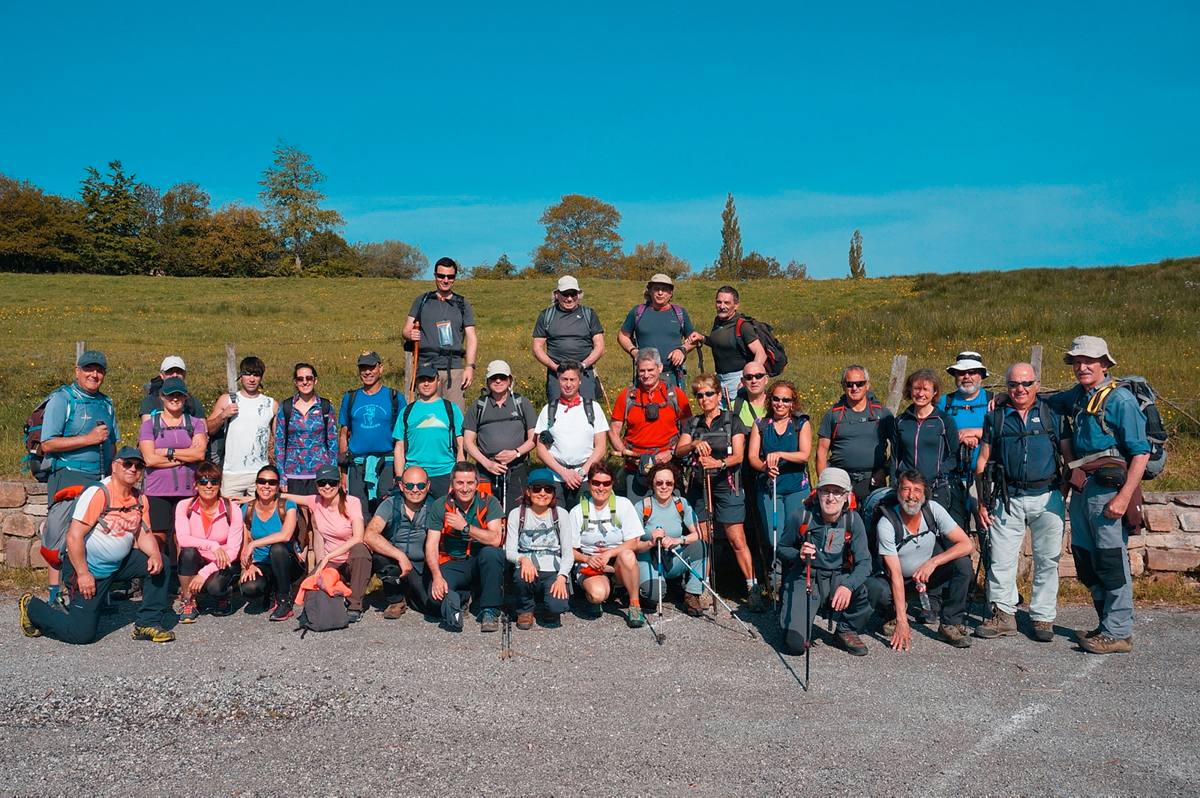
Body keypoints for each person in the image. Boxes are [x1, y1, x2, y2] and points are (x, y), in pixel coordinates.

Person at [1048, 336, 1150, 654]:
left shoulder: (1120, 400)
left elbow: (1141, 452)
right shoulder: (1078, 396)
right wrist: (1004, 400)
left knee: (1109, 560)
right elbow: (1047, 402)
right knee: (1086, 558)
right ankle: (1106, 623)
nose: (1082, 367)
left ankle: (1118, 630)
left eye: (1089, 361)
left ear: (1104, 364)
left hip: (1108, 490)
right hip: (1082, 488)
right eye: (1077, 362)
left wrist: (1123, 498)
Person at [19, 447, 175, 644]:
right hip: (87, 568)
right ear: (114, 466)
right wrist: (83, 574)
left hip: (119, 564)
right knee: (81, 634)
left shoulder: (140, 498)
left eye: (139, 465)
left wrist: (154, 553)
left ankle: (148, 623)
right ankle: (32, 607)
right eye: (127, 464)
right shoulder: (98, 493)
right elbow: (74, 537)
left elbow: (143, 533)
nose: (133, 469)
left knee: (161, 563)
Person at [973, 363, 1068, 643]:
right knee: (1001, 561)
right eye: (1014, 384)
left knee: (1047, 560)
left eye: (1026, 383)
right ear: (1006, 387)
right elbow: (982, 461)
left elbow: (1068, 455)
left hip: (1048, 495)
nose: (1020, 389)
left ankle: (1042, 617)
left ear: (1037, 384)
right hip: (1008, 497)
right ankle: (1003, 615)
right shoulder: (997, 417)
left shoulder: (1052, 414)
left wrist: (1064, 492)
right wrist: (982, 502)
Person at [38, 349, 118, 603]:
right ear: (77, 371)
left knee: (94, 535)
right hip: (67, 473)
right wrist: (89, 439)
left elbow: (112, 442)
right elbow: (47, 444)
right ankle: (54, 594)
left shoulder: (106, 403)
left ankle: (93, 594)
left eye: (99, 370)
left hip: (99, 477)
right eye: (88, 369)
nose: (94, 375)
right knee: (58, 533)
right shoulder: (62, 399)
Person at [865, 470, 975, 650]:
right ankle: (893, 613)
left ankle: (950, 624)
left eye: (917, 490)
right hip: (895, 579)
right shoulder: (887, 523)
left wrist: (933, 562)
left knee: (962, 563)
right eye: (906, 489)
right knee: (878, 590)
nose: (911, 496)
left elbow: (966, 544)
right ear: (898, 491)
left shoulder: (933, 509)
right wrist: (903, 621)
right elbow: (895, 574)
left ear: (925, 494)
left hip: (925, 574)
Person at [674, 373, 755, 607]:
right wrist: (693, 444)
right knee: (704, 538)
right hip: (701, 486)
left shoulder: (732, 420)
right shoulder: (692, 423)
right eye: (699, 395)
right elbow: (678, 451)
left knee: (736, 538)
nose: (704, 399)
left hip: (728, 485)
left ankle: (753, 587)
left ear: (719, 395)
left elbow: (738, 456)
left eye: (709, 393)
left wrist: (718, 463)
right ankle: (703, 586)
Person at [777, 468, 872, 657]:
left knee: (875, 589)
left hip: (837, 579)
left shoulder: (853, 520)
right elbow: (782, 548)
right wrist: (799, 555)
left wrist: (848, 586)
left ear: (847, 496)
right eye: (825, 491)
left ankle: (845, 629)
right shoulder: (801, 516)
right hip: (805, 578)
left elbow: (865, 563)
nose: (830, 498)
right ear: (817, 492)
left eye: (837, 492)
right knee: (795, 645)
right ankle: (791, 608)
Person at [748, 378, 813, 607]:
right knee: (771, 536)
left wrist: (781, 455)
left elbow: (804, 454)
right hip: (769, 487)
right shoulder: (760, 424)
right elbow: (753, 458)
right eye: (776, 398)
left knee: (792, 536)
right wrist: (766, 466)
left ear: (793, 402)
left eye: (786, 399)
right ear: (770, 400)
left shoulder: (800, 424)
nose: (780, 403)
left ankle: (790, 582)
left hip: (795, 487)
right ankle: (774, 581)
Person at [282, 464, 371, 622]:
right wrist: (253, 499)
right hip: (332, 563)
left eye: (332, 482)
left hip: (351, 560)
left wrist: (327, 557)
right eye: (322, 483)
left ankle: (355, 606)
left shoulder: (352, 502)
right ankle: (339, 591)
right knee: (312, 588)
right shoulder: (315, 501)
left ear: (339, 483)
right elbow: (285, 496)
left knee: (360, 551)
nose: (327, 486)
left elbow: (358, 537)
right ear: (316, 485)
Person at [424, 462, 506, 632]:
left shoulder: (489, 502)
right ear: (452, 484)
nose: (465, 488)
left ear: (477, 484)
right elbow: (431, 544)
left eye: (470, 483)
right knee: (434, 598)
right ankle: (461, 599)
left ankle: (490, 610)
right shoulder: (441, 505)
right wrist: (437, 576)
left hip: (480, 562)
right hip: (453, 562)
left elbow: (496, 539)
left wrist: (466, 527)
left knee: (492, 553)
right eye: (460, 483)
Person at [139, 376, 209, 560]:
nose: (175, 399)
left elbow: (200, 454)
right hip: (157, 491)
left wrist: (166, 452)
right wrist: (184, 456)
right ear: (162, 397)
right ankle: (160, 579)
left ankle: (183, 581)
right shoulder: (149, 425)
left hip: (187, 492)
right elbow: (149, 459)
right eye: (171, 395)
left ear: (185, 398)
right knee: (158, 538)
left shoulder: (195, 424)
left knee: (183, 538)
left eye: (179, 395)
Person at [608, 348, 692, 502]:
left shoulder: (675, 394)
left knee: (673, 514)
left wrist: (672, 452)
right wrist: (626, 454)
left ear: (660, 368)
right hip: (636, 466)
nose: (646, 375)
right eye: (641, 371)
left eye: (650, 370)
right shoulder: (627, 396)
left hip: (668, 464)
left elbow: (689, 429)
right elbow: (613, 431)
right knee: (637, 518)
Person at [568, 463, 646, 627]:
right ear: (589, 484)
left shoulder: (623, 504)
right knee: (597, 594)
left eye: (606, 483)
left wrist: (610, 554)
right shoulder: (577, 511)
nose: (601, 488)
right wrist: (587, 558)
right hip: (591, 564)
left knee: (628, 555)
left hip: (616, 562)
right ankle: (598, 596)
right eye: (596, 483)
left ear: (612, 484)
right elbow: (570, 550)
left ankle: (634, 604)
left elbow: (634, 542)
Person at [630, 463, 708, 616]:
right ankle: (652, 588)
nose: (664, 487)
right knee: (654, 596)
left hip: (674, 557)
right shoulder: (642, 506)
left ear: (674, 484)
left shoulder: (681, 504)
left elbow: (699, 534)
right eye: (659, 482)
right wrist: (651, 541)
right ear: (652, 483)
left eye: (669, 483)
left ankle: (692, 594)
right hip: (649, 558)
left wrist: (677, 540)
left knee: (702, 546)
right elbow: (633, 545)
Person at [505, 468, 577, 629]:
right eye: (537, 488)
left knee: (557, 607)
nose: (542, 493)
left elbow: (568, 553)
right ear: (528, 491)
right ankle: (525, 609)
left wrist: (562, 577)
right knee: (521, 578)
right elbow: (509, 551)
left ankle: (547, 606)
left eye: (548, 489)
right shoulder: (517, 514)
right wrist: (522, 559)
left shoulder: (561, 514)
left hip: (553, 569)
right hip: (527, 569)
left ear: (553, 493)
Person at [403, 256, 478, 409]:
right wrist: (410, 335)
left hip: (454, 370)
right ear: (435, 276)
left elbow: (472, 337)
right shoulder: (422, 300)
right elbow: (406, 330)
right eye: (441, 276)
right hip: (426, 368)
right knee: (427, 416)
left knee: (454, 419)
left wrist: (469, 367)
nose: (445, 280)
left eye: (450, 277)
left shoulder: (462, 303)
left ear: (454, 278)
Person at [463, 360, 536, 513]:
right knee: (485, 513)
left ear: (510, 380)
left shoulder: (522, 403)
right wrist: (486, 463)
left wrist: (515, 453)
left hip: (517, 467)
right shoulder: (478, 406)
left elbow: (534, 439)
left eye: (502, 377)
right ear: (487, 381)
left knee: (517, 512)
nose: (498, 381)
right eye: (493, 378)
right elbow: (468, 442)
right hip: (486, 470)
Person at [533, 361, 608, 510]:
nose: (568, 384)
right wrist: (564, 473)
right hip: (555, 477)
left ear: (579, 381)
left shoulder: (593, 408)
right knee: (557, 522)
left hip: (584, 477)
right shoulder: (549, 410)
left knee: (583, 524)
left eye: (572, 380)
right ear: (558, 381)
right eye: (564, 379)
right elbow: (540, 449)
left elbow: (600, 447)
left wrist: (581, 472)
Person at [174, 461, 243, 622]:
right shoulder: (184, 506)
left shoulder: (232, 509)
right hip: (198, 557)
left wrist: (203, 574)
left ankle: (224, 595)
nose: (209, 486)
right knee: (188, 552)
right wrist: (213, 545)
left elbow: (233, 551)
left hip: (223, 561)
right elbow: (183, 539)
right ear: (196, 485)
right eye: (203, 481)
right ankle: (188, 600)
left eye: (214, 481)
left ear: (220, 485)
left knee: (215, 588)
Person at [890, 369, 961, 522]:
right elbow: (895, 456)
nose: (921, 394)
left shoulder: (944, 421)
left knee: (936, 533)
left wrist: (937, 472)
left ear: (934, 392)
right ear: (910, 390)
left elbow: (954, 455)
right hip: (907, 490)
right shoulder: (901, 421)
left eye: (926, 389)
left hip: (935, 488)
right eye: (917, 388)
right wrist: (895, 484)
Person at [364, 466, 434, 620]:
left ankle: (409, 593)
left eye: (421, 485)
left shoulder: (434, 506)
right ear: (401, 486)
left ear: (428, 486)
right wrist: (400, 556)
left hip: (422, 564)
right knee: (380, 558)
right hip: (395, 561)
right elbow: (369, 535)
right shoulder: (390, 504)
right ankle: (395, 600)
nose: (415, 490)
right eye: (409, 485)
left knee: (431, 607)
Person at [338, 351, 404, 515]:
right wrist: (343, 473)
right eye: (363, 368)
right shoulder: (350, 397)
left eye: (371, 367)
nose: (367, 372)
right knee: (358, 512)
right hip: (357, 464)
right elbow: (344, 434)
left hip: (387, 464)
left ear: (380, 368)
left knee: (387, 510)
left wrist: (400, 472)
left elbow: (403, 436)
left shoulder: (394, 397)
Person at [816, 365, 893, 503]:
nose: (855, 388)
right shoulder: (833, 415)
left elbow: (900, 447)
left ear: (867, 385)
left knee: (874, 522)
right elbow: (821, 452)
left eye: (860, 384)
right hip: (840, 481)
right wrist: (825, 485)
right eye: (849, 384)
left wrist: (885, 470)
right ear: (843, 386)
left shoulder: (882, 413)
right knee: (842, 523)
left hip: (874, 481)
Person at [206, 355, 276, 500]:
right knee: (229, 516)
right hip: (232, 473)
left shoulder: (271, 404)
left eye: (256, 375)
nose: (252, 379)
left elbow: (279, 438)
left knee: (259, 516)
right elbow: (208, 429)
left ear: (261, 378)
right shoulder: (227, 399)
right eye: (247, 374)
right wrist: (223, 415)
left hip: (260, 474)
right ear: (240, 376)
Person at [238, 464, 301, 622]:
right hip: (262, 563)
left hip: (287, 562)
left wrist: (254, 544)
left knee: (277, 548)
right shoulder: (247, 509)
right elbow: (244, 542)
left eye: (272, 482)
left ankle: (284, 599)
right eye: (262, 481)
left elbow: (286, 535)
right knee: (249, 588)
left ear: (278, 486)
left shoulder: (287, 505)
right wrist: (248, 565)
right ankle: (269, 590)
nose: (266, 486)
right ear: (256, 484)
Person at [393, 364, 464, 499]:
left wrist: (458, 477)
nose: (426, 384)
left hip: (446, 474)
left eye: (430, 379)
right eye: (422, 379)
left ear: (438, 381)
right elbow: (399, 448)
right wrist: (400, 478)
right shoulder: (407, 411)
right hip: (415, 477)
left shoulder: (451, 409)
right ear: (417, 382)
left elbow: (461, 446)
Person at [938, 351, 991, 528]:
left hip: (984, 477)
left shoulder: (993, 402)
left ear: (981, 376)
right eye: (961, 373)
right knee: (953, 530)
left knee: (987, 527)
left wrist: (977, 432)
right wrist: (960, 435)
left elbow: (1004, 432)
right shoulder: (943, 403)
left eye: (972, 372)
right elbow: (933, 432)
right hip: (951, 477)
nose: (966, 377)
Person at [532, 275, 605, 402]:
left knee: (587, 410)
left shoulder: (589, 314)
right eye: (565, 294)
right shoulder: (546, 315)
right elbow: (537, 346)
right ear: (557, 295)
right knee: (556, 412)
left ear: (579, 294)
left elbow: (599, 346)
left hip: (584, 373)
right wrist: (554, 367)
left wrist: (584, 365)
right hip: (557, 374)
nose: (569, 298)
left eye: (573, 294)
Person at [687, 285, 767, 402]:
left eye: (727, 303)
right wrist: (702, 338)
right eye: (719, 302)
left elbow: (761, 353)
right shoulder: (718, 321)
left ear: (736, 305)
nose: (722, 306)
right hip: (719, 379)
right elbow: (720, 343)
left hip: (737, 379)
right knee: (722, 418)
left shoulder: (743, 326)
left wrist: (748, 378)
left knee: (737, 418)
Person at [617, 273, 698, 388]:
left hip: (673, 376)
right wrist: (634, 351)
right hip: (645, 376)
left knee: (674, 406)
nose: (660, 293)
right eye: (656, 289)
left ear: (671, 293)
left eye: (664, 290)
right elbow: (622, 335)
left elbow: (693, 339)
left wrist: (682, 350)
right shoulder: (638, 312)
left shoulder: (680, 313)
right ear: (650, 291)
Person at [274, 363, 338, 496]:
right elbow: (279, 443)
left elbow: (332, 442)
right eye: (300, 379)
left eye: (309, 378)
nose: (305, 382)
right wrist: (282, 476)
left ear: (315, 380)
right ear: (295, 382)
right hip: (292, 474)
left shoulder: (325, 406)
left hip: (320, 475)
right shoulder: (286, 407)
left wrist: (332, 474)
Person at [140, 354, 205, 421]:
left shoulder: (193, 402)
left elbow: (203, 428)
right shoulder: (150, 401)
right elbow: (147, 428)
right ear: (161, 375)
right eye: (169, 371)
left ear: (184, 375)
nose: (175, 375)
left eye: (179, 371)